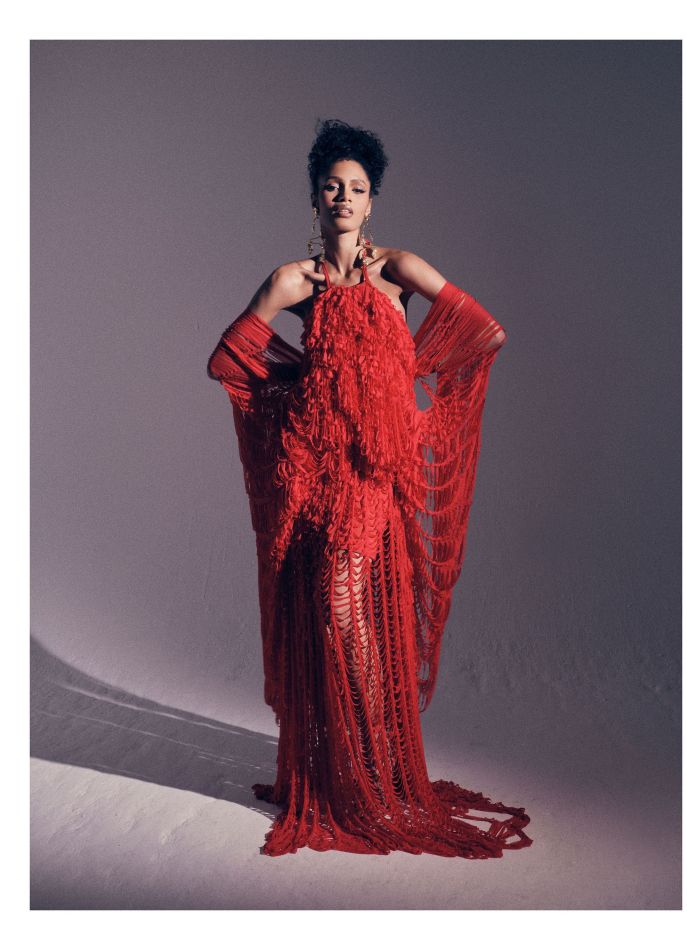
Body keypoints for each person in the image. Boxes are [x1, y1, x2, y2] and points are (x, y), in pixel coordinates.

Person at [207, 118, 532, 858]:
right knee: (328, 612)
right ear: (314, 197)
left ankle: (376, 769)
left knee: (346, 608)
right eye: (332, 186)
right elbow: (226, 361)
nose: (344, 198)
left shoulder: (399, 271)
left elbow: (486, 333)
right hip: (315, 477)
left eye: (357, 187)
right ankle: (346, 769)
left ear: (372, 199)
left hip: (373, 478)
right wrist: (304, 394)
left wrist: (403, 408)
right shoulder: (294, 281)